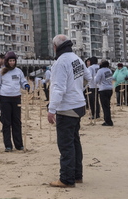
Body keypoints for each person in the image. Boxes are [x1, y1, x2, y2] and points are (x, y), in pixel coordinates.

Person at [47, 34, 92, 188]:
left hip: (67, 108)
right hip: (78, 105)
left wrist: (51, 109)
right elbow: (88, 77)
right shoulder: (76, 58)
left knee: (66, 144)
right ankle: (77, 175)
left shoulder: (61, 62)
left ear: (55, 47)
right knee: (74, 142)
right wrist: (78, 89)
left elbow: (58, 88)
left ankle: (66, 179)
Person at [0, 51, 30, 152]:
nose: (12, 62)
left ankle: (19, 144)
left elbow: (22, 81)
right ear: (7, 61)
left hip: (16, 98)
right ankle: (8, 145)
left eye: (13, 60)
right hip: (4, 98)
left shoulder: (18, 71)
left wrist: (26, 85)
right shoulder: (1, 71)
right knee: (6, 122)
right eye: (10, 60)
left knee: (16, 121)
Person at [94, 61, 113, 126]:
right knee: (107, 106)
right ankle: (108, 120)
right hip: (110, 89)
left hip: (103, 89)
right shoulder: (109, 70)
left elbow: (96, 80)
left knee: (105, 106)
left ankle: (108, 121)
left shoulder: (100, 71)